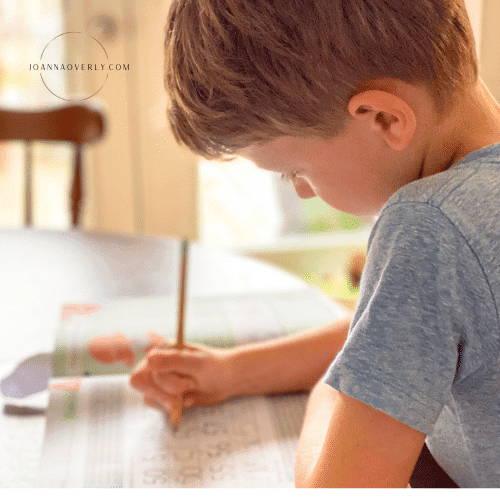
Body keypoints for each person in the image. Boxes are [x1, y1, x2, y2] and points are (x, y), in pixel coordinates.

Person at [127, 0, 500, 487]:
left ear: (384, 119)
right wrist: (234, 372)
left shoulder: (430, 225)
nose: (300, 190)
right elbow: (395, 331)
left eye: (294, 171)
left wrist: (330, 392)